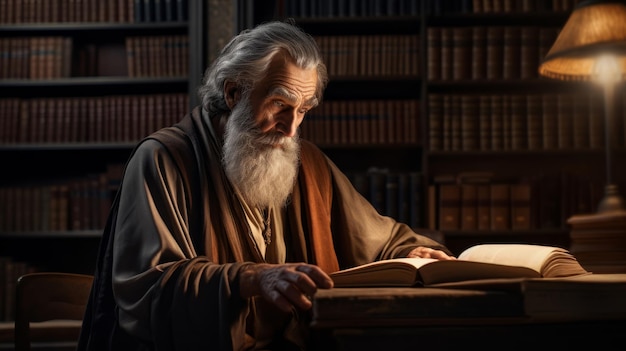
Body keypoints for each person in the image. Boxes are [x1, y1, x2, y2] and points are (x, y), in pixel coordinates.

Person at [77, 20, 455, 351]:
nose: (291, 128)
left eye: (303, 110)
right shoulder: (163, 159)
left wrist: (414, 251)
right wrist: (252, 278)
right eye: (279, 104)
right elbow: (148, 289)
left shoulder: (306, 162)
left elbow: (380, 238)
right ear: (233, 93)